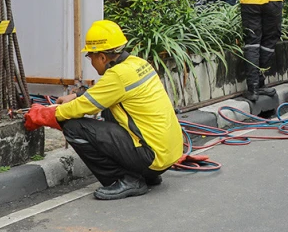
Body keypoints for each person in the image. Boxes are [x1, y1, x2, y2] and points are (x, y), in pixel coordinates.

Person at [23, 20, 183, 200]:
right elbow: (105, 92)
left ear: (102, 57)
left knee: (74, 127)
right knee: (109, 110)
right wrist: (76, 95)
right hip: (167, 154)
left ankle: (126, 180)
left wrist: (45, 114)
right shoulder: (137, 63)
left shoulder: (118, 75)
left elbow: (81, 107)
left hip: (151, 157)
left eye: (90, 56)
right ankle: (147, 176)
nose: (91, 61)